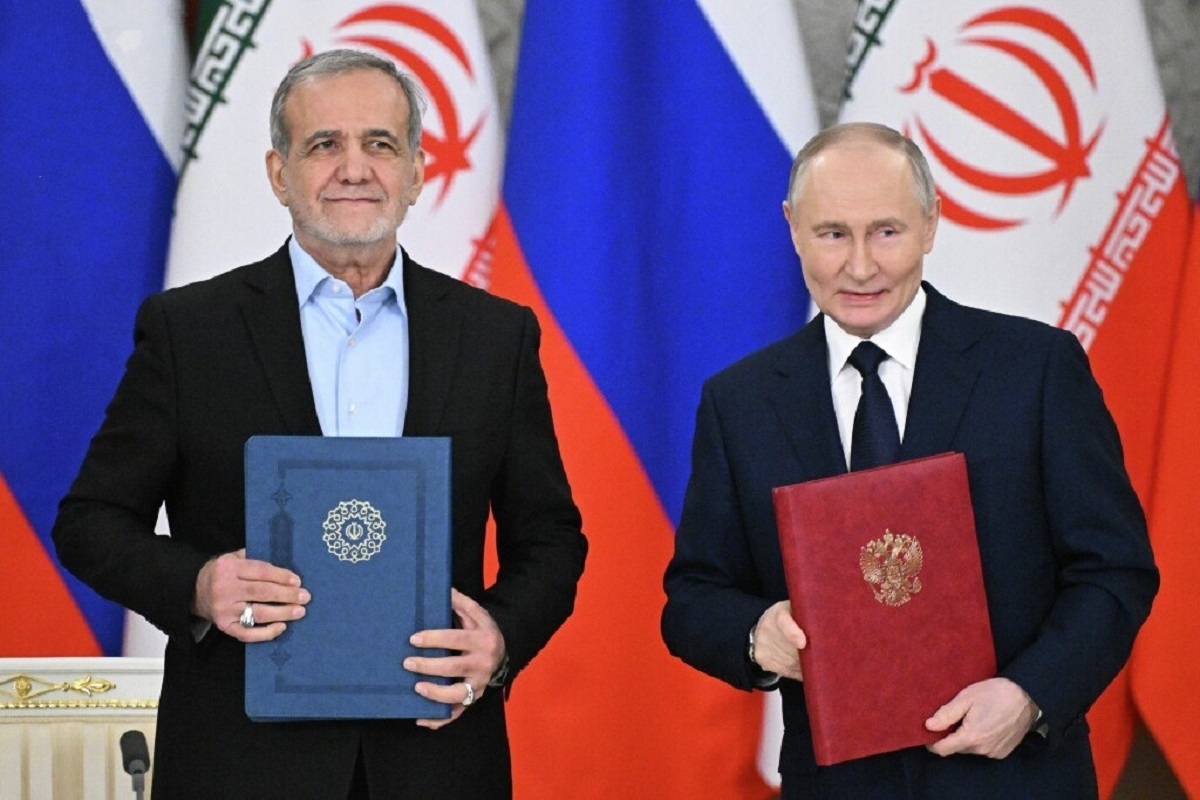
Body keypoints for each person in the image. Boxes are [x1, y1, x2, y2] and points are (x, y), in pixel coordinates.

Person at [53, 49, 586, 799]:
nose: (354, 169)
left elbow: (552, 539)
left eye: (380, 144)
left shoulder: (495, 337)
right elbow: (90, 521)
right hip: (239, 764)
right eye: (324, 144)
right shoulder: (190, 332)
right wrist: (200, 584)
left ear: (417, 172)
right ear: (280, 174)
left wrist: (498, 638)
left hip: (435, 763)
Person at [661, 121, 1157, 798]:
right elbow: (693, 598)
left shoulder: (1035, 369)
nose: (861, 266)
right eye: (832, 234)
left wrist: (1030, 695)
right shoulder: (740, 402)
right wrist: (756, 637)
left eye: (886, 232)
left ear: (931, 224)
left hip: (1015, 779)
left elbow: (1115, 570)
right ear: (793, 229)